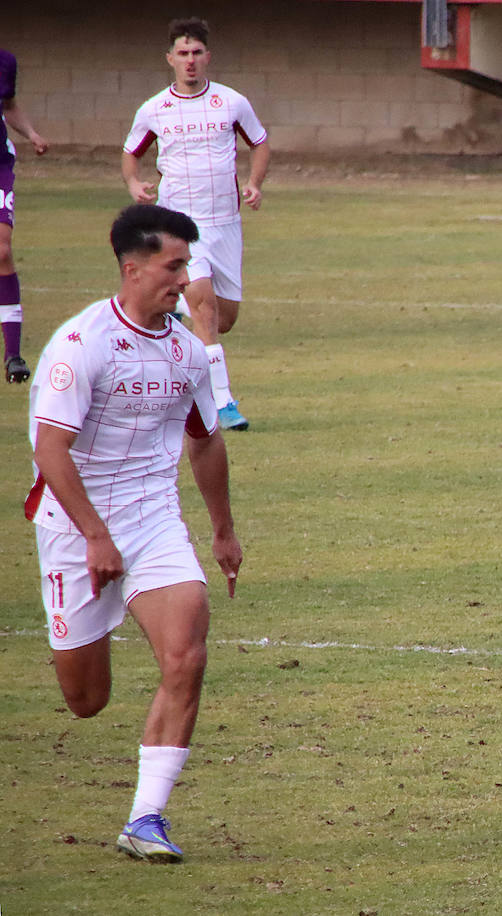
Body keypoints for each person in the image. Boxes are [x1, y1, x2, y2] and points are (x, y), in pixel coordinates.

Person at [26, 203, 243, 862]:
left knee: (187, 652)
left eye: (186, 265)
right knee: (87, 700)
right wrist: (95, 536)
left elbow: (205, 444)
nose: (184, 279)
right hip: (74, 527)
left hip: (153, 521)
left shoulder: (187, 351)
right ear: (133, 267)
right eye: (173, 265)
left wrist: (224, 531)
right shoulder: (79, 344)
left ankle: (146, 817)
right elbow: (50, 452)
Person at [122, 16, 269, 431]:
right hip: (181, 225)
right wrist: (134, 182)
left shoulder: (231, 102)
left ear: (208, 57)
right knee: (205, 307)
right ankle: (223, 403)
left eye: (196, 53)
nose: (189, 61)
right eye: (182, 53)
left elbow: (259, 143)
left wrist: (254, 184)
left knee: (223, 318)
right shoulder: (154, 109)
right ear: (170, 58)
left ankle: (173, 311)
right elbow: (130, 152)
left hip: (225, 224)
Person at [1, 47, 50, 384]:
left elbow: (9, 105)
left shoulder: (5, 61)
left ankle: (13, 355)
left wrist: (30, 133)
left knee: (2, 251)